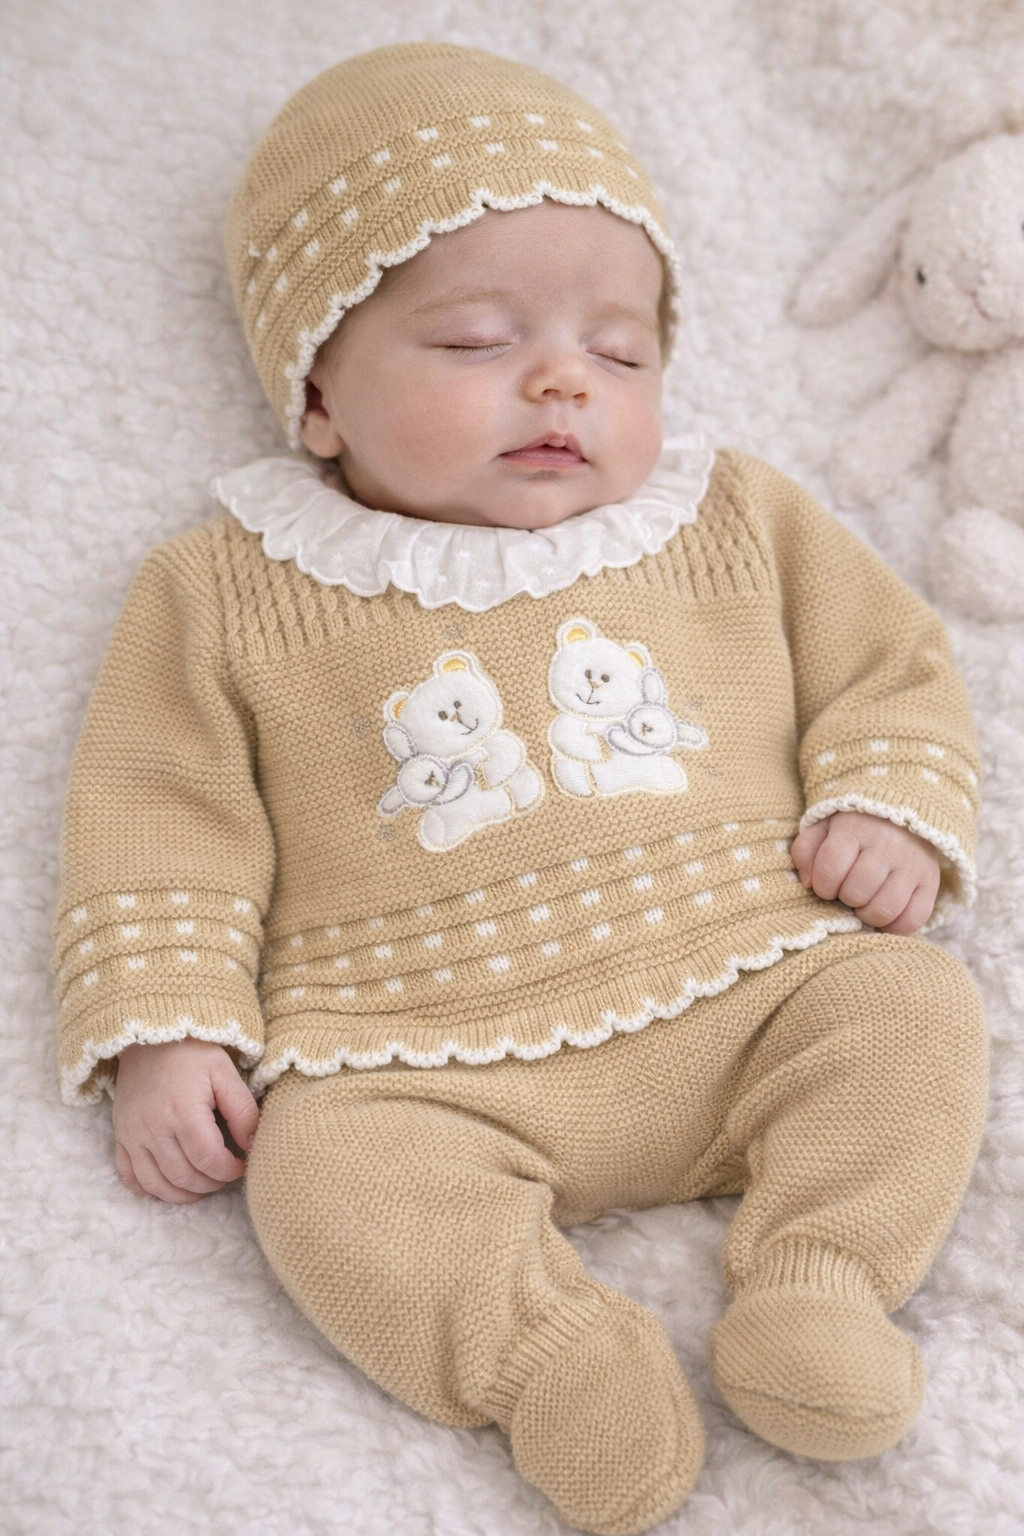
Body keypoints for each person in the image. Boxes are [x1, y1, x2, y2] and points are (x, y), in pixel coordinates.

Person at [51, 41, 989, 1536]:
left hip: (750, 971)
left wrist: (886, 800)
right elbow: (160, 811)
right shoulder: (225, 584)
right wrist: (168, 1029)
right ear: (317, 396)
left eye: (621, 352)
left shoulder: (731, 512)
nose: (564, 378)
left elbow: (892, 658)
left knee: (910, 1007)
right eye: (477, 338)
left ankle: (818, 1283)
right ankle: (549, 1360)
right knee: (321, 1188)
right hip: (414, 1058)